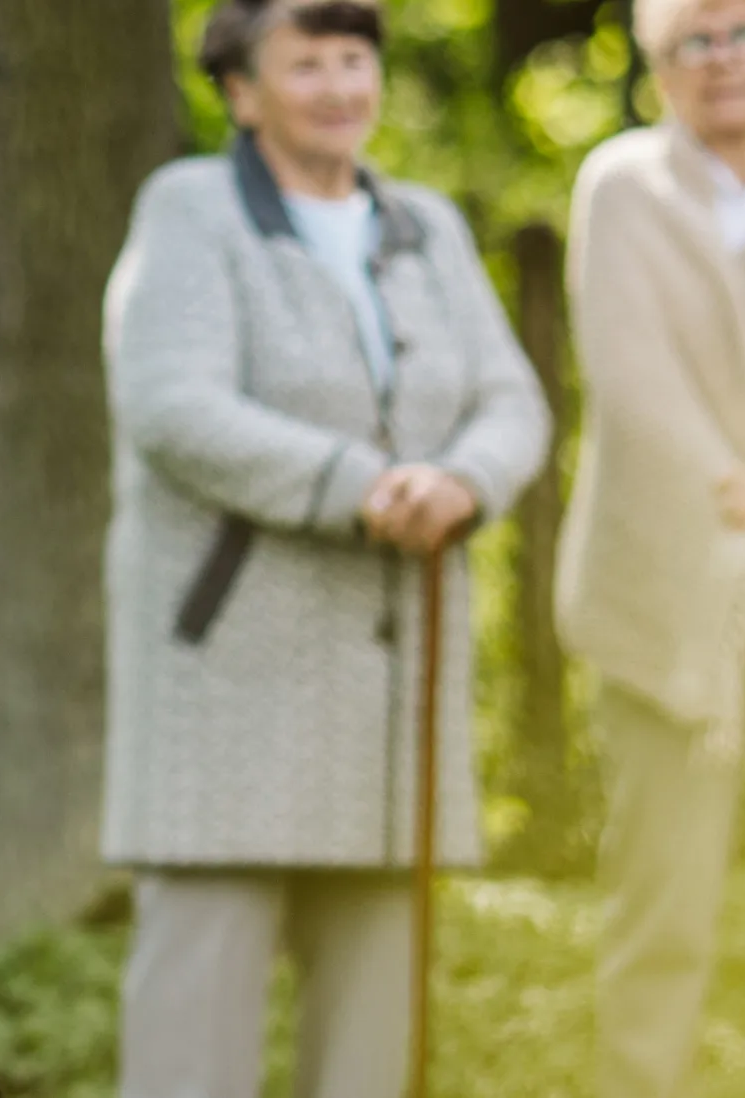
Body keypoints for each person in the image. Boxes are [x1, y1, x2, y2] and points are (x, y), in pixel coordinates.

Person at [98, 1, 552, 1094]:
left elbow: (510, 400)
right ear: (242, 91)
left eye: (356, 60)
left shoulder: (425, 225)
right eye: (309, 64)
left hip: (393, 701)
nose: (343, 85)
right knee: (190, 1047)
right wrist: (365, 487)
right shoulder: (190, 208)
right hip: (227, 686)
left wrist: (459, 480)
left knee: (371, 1048)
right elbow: (169, 404)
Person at [557, 1, 745, 1093]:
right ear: (657, 64)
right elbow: (626, 366)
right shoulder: (620, 184)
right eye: (691, 41)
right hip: (661, 583)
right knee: (660, 904)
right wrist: (728, 487)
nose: (721, 62)